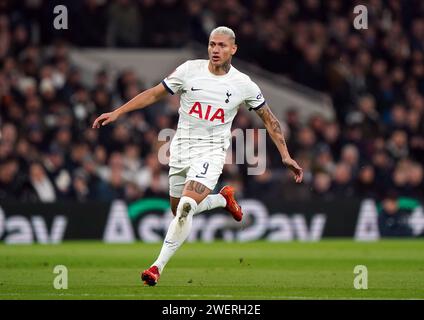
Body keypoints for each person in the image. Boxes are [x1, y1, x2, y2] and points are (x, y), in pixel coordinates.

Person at [92, 26, 303, 286]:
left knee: (186, 207)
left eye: (222, 46)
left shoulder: (243, 84)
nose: (216, 50)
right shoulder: (189, 70)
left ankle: (156, 267)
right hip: (180, 149)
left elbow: (270, 120)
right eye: (212, 44)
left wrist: (285, 155)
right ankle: (222, 200)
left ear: (233, 49)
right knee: (178, 211)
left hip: (212, 152)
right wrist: (117, 112)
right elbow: (154, 93)